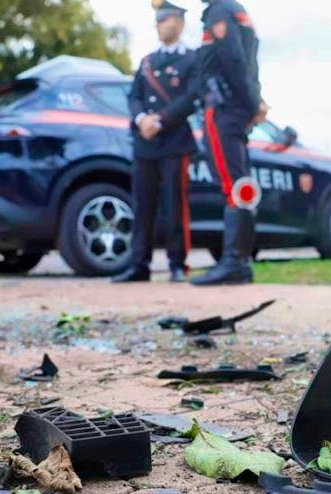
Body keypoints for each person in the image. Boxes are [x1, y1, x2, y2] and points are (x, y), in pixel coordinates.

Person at [112, 0, 199, 283]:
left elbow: (191, 97)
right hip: (145, 144)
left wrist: (159, 120)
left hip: (174, 141)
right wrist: (141, 120)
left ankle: (177, 264)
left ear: (180, 22)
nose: (159, 25)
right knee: (142, 206)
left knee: (174, 205)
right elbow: (134, 96)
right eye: (158, 21)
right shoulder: (147, 61)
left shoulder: (192, 59)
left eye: (165, 20)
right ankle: (139, 265)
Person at [189, 0, 268, 286]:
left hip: (223, 110)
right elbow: (249, 63)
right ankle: (241, 263)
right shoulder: (236, 10)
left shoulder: (220, 11)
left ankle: (234, 262)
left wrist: (252, 102)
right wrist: (254, 100)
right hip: (236, 108)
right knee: (241, 186)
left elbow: (233, 59)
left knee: (232, 186)